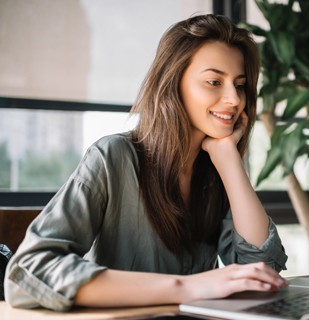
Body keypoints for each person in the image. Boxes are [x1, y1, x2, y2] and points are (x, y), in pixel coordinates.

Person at [4, 14, 288, 311]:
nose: (234, 99)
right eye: (214, 82)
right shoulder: (113, 157)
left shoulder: (215, 169)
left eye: (240, 85)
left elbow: (263, 270)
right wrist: (186, 287)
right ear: (173, 84)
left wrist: (230, 161)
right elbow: (28, 270)